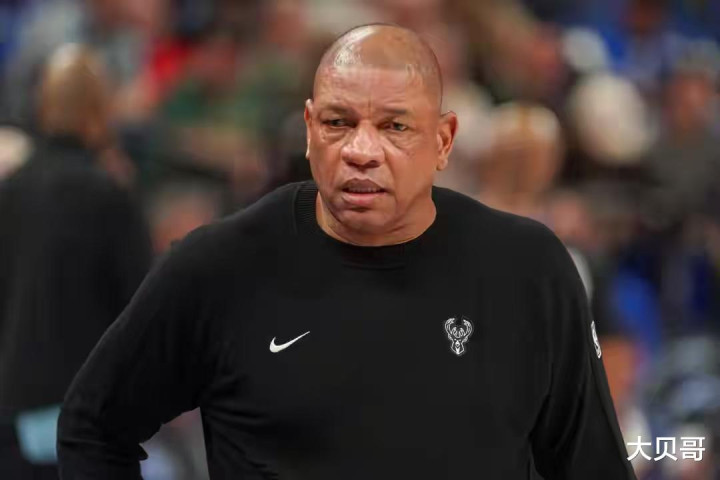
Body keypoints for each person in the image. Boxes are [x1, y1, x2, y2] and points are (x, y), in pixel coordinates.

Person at [58, 24, 637, 479]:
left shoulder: (528, 270)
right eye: (338, 122)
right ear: (310, 129)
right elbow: (93, 426)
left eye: (395, 127)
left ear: (443, 140)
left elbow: (592, 466)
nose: (362, 150)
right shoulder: (220, 266)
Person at [0, 44, 152, 479]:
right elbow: (142, 311)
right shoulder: (108, 196)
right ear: (100, 112)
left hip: (12, 411)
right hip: (86, 416)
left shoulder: (10, 192)